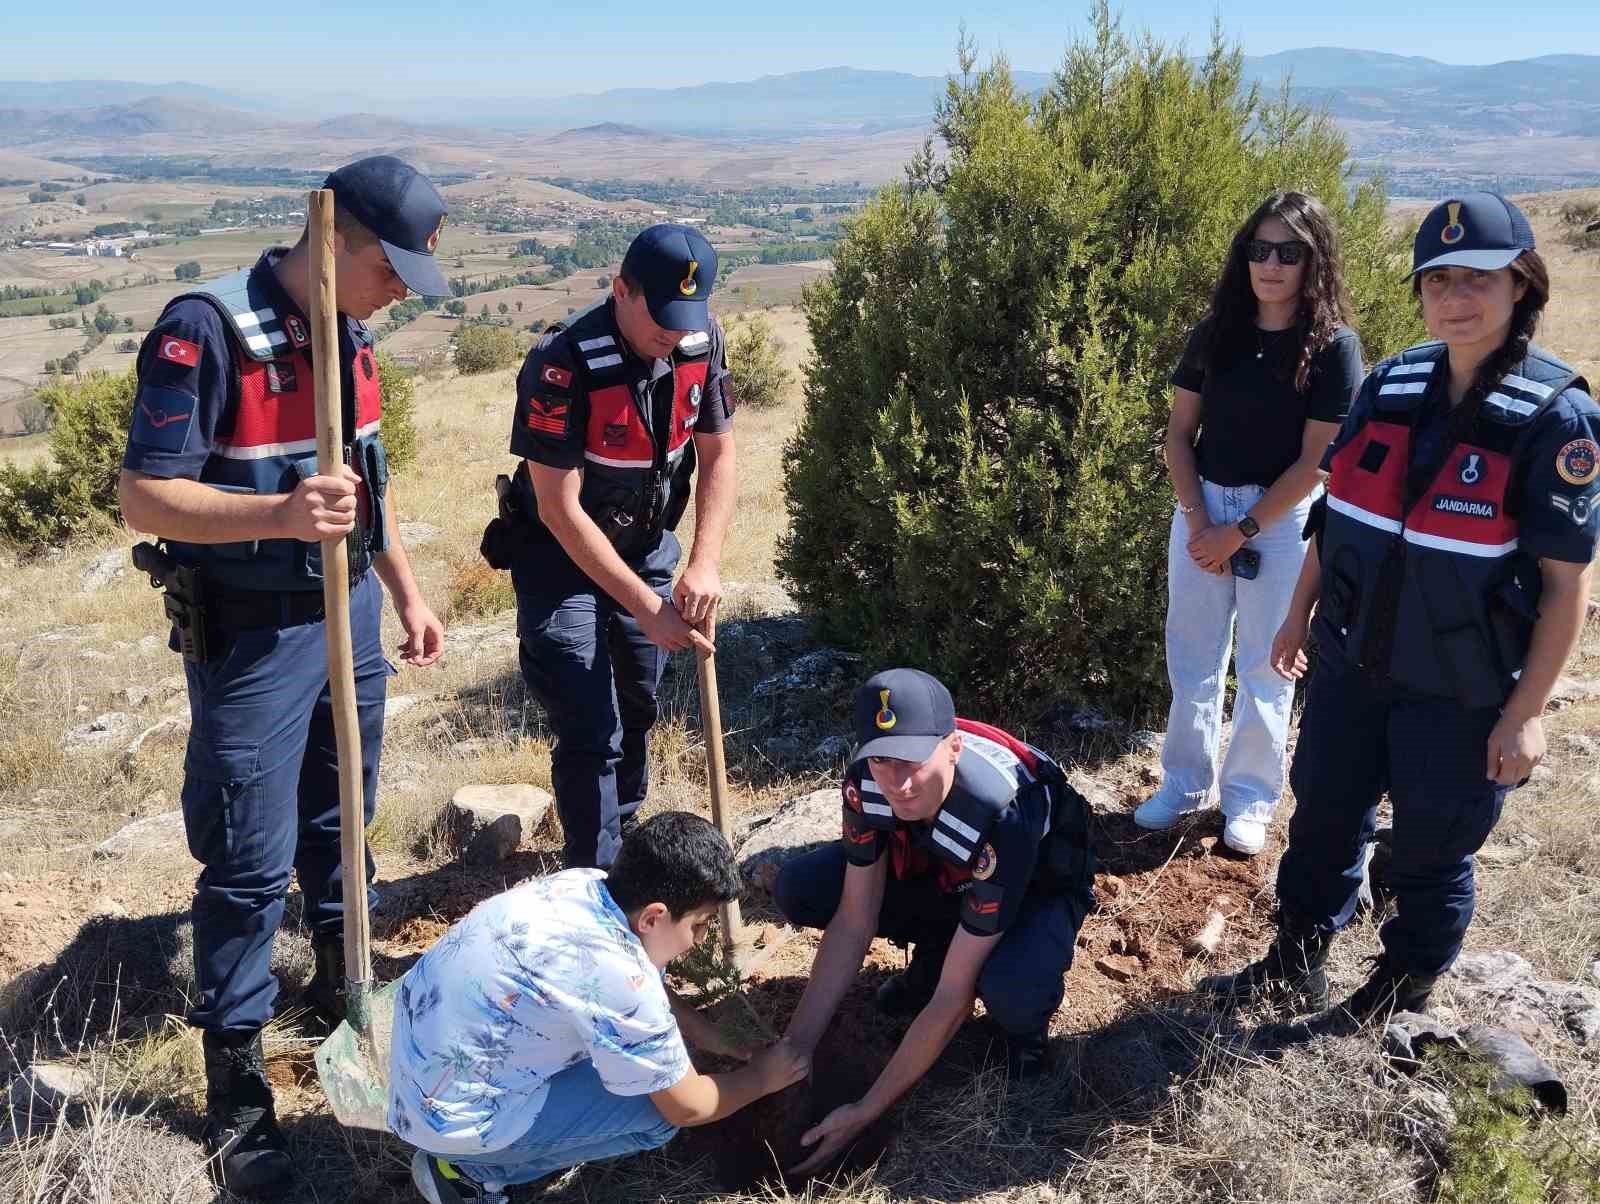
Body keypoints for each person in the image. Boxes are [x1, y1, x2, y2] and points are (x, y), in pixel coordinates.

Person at [117, 155, 451, 1195]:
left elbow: (368, 489)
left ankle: (342, 997)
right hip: (255, 635)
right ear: (334, 238)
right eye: (389, 270)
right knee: (249, 860)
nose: (399, 293)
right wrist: (276, 513)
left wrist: (404, 590)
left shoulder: (353, 341)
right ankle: (236, 1084)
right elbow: (143, 496)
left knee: (339, 823)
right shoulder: (207, 330)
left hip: (348, 615)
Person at [1202, 192, 1598, 1034]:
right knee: (1322, 821)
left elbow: (1567, 591)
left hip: (1460, 686)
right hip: (1349, 665)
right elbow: (1336, 518)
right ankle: (1294, 960)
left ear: (1522, 284)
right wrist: (1295, 616)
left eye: (1478, 279)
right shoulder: (1391, 382)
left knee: (1429, 848)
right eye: (1438, 279)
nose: (1455, 297)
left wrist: (1525, 716)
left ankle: (1399, 991)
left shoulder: (1556, 417)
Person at [390, 811, 810, 1204]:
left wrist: (706, 1033)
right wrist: (761, 1078)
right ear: (654, 917)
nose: (699, 940)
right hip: (454, 1120)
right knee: (657, 1115)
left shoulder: (587, 885)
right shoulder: (623, 979)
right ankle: (467, 1172)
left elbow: (639, 981)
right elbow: (688, 1105)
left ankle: (482, 1149)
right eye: (699, 924)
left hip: (418, 1077)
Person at [771, 669, 1097, 1174]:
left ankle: (1025, 1035)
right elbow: (855, 919)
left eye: (912, 761)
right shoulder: (868, 780)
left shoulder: (1001, 812)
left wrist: (866, 1111)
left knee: (1010, 989)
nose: (896, 782)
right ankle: (936, 945)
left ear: (953, 747)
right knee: (802, 887)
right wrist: (795, 1051)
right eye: (881, 759)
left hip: (1036, 885)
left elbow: (954, 996)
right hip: (947, 867)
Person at [482, 224, 736, 870]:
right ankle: (593, 876)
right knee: (591, 717)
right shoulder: (563, 362)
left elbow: (718, 454)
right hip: (557, 558)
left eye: (687, 316)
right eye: (660, 314)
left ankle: (624, 849)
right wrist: (647, 608)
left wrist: (703, 560)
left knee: (639, 702)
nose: (673, 332)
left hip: (645, 544)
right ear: (621, 289)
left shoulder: (700, 346)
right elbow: (559, 510)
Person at [1136, 191, 1365, 855]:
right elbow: (1179, 434)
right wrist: (1199, 519)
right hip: (1201, 503)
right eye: (1259, 249)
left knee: (1270, 663)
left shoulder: (1334, 347)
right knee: (1192, 654)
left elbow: (1317, 459)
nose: (1271, 264)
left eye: (1288, 252)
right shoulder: (1217, 332)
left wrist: (1238, 533)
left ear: (1312, 261)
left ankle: (1250, 800)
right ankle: (1184, 785)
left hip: (1281, 517)